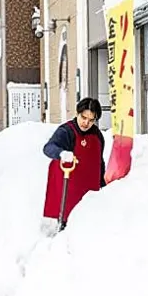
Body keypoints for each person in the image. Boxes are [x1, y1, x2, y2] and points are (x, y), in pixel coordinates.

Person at [42, 98, 106, 230]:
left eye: (91, 120)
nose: (86, 123)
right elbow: (48, 147)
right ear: (78, 113)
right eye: (84, 117)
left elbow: (100, 162)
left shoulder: (97, 136)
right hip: (69, 190)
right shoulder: (66, 131)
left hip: (89, 191)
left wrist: (103, 186)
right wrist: (61, 153)